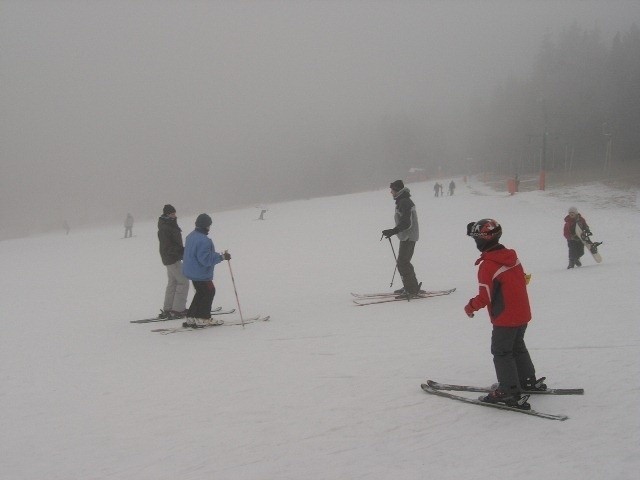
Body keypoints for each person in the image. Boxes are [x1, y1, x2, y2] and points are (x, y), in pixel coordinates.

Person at [464, 218, 546, 410]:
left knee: (501, 352)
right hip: (522, 313)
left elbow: (484, 297)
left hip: (505, 317)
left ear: (482, 240)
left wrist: (470, 307)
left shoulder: (488, 265)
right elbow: (522, 280)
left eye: (476, 239)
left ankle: (508, 391)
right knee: (517, 347)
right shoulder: (511, 257)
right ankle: (527, 381)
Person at [182, 213, 231, 327]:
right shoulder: (204, 240)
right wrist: (221, 257)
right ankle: (203, 317)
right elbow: (205, 259)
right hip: (201, 273)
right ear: (206, 225)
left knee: (201, 293)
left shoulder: (191, 236)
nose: (210, 227)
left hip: (191, 271)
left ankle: (191, 316)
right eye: (209, 225)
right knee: (209, 291)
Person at [382, 180, 421, 297]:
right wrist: (394, 231)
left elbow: (406, 222)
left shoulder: (404, 202)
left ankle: (411, 290)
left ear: (397, 190)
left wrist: (393, 231)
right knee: (403, 262)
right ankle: (411, 286)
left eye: (392, 190)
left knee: (403, 263)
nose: (391, 192)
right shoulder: (403, 201)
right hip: (407, 237)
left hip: (408, 236)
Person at [157, 204, 189, 319]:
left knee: (173, 282)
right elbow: (167, 246)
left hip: (170, 258)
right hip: (172, 258)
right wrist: (181, 252)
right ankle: (178, 310)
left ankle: (169, 308)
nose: (174, 215)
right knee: (183, 281)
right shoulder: (165, 227)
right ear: (166, 214)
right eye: (171, 214)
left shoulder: (169, 224)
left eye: (174, 213)